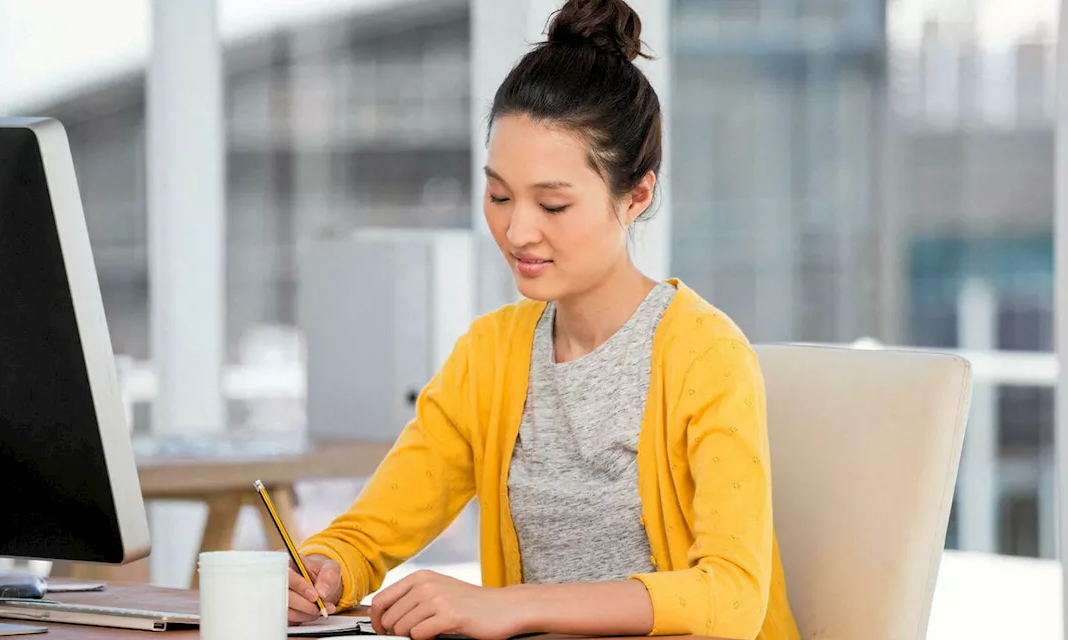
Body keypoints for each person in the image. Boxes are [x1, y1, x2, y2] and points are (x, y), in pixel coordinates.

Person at [291, 1, 799, 638]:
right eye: (499, 195)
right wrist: (327, 567)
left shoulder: (705, 355)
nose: (516, 229)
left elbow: (731, 598)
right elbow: (370, 533)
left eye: (553, 204)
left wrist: (515, 604)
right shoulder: (491, 355)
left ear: (636, 196)